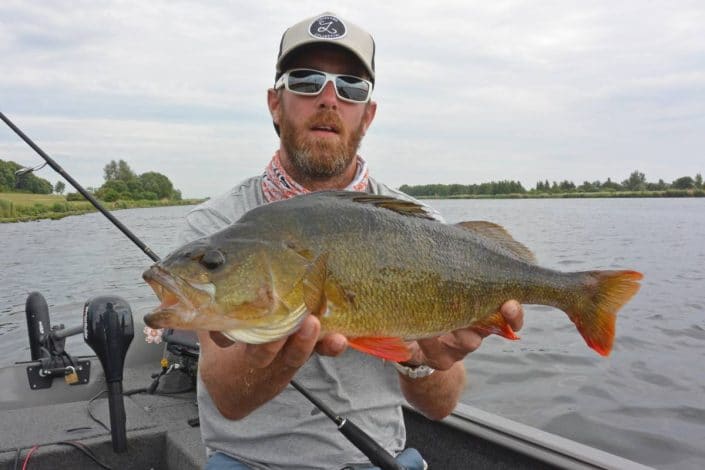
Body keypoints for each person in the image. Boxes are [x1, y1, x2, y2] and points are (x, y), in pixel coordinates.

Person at [176, 12, 524, 470]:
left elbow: (440, 406)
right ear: (275, 103)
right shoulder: (216, 229)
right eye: (305, 81)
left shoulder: (421, 229)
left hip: (379, 459)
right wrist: (282, 354)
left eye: (351, 88)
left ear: (369, 114)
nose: (328, 99)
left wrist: (418, 357)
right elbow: (227, 400)